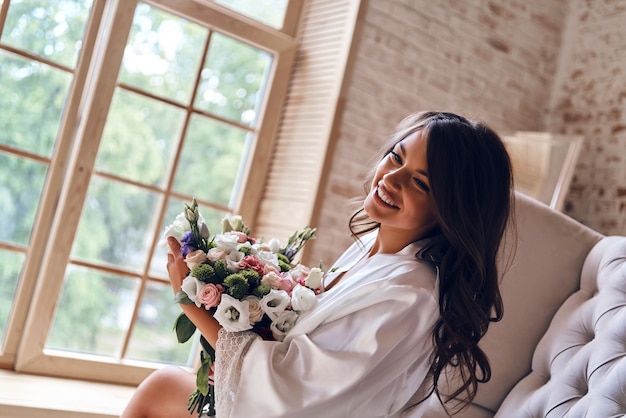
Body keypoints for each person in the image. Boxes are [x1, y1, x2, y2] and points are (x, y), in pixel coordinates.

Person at [121, 111, 513, 418]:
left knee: (161, 388)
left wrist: (188, 299)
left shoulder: (410, 295)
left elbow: (294, 393)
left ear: (455, 211)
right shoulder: (372, 250)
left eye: (420, 183)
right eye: (396, 157)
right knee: (169, 387)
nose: (391, 178)